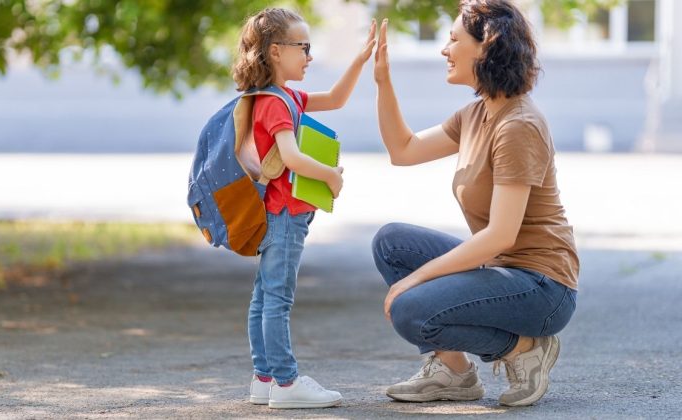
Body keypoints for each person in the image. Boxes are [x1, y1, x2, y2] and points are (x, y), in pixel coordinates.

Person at [371, 0, 579, 407]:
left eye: (453, 40)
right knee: (391, 242)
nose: (444, 50)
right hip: (504, 270)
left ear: (486, 48)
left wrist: (415, 280)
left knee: (411, 310)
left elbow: (500, 235)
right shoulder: (476, 114)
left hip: (543, 287)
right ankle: (454, 372)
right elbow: (403, 149)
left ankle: (524, 349)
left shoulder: (518, 125)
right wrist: (383, 80)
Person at [233, 7, 376, 409]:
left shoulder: (280, 96)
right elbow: (291, 157)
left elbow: (335, 98)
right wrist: (331, 176)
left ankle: (264, 379)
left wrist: (360, 59)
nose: (309, 56)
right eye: (304, 47)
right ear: (276, 51)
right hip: (283, 214)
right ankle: (286, 382)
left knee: (264, 296)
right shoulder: (276, 103)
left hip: (273, 214)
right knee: (277, 299)